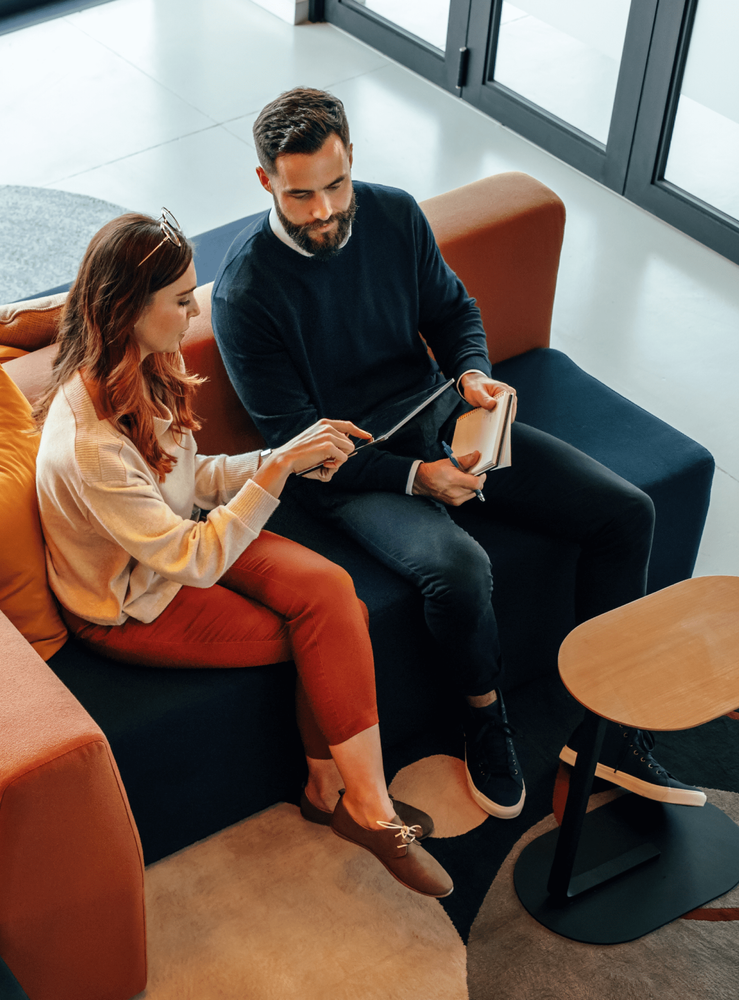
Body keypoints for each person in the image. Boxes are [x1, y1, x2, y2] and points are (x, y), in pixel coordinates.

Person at [212, 87, 706, 818]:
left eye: (336, 184)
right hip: (348, 471)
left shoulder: (394, 214)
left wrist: (472, 369)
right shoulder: (245, 293)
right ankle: (482, 717)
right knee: (458, 569)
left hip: (440, 414)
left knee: (625, 513)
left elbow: (452, 309)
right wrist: (417, 478)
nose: (323, 211)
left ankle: (610, 729)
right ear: (265, 184)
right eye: (301, 195)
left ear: (353, 160)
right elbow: (301, 447)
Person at [33, 210, 454, 898]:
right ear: (128, 309)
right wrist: (275, 474)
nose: (193, 310)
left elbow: (190, 480)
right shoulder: (90, 445)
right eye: (178, 300)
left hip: (182, 537)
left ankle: (334, 793)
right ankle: (368, 811)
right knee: (318, 632)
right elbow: (193, 560)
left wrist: (282, 455)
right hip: (128, 603)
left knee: (332, 593)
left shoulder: (146, 362)